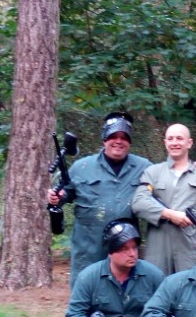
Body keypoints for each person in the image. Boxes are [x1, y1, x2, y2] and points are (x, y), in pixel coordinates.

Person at [48, 112, 152, 285]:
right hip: (88, 250)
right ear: (104, 139)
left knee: (124, 299)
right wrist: (55, 197)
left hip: (125, 251)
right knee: (85, 300)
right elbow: (65, 194)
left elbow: (168, 179)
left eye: (124, 137)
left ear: (130, 142)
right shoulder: (82, 167)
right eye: (113, 136)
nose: (118, 141)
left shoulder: (144, 168)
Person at [132, 123, 196, 275]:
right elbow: (139, 202)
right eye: (170, 139)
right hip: (158, 248)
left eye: (179, 138)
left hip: (189, 248)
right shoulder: (152, 173)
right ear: (165, 143)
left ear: (189, 143)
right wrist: (170, 214)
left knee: (189, 293)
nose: (174, 143)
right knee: (157, 291)